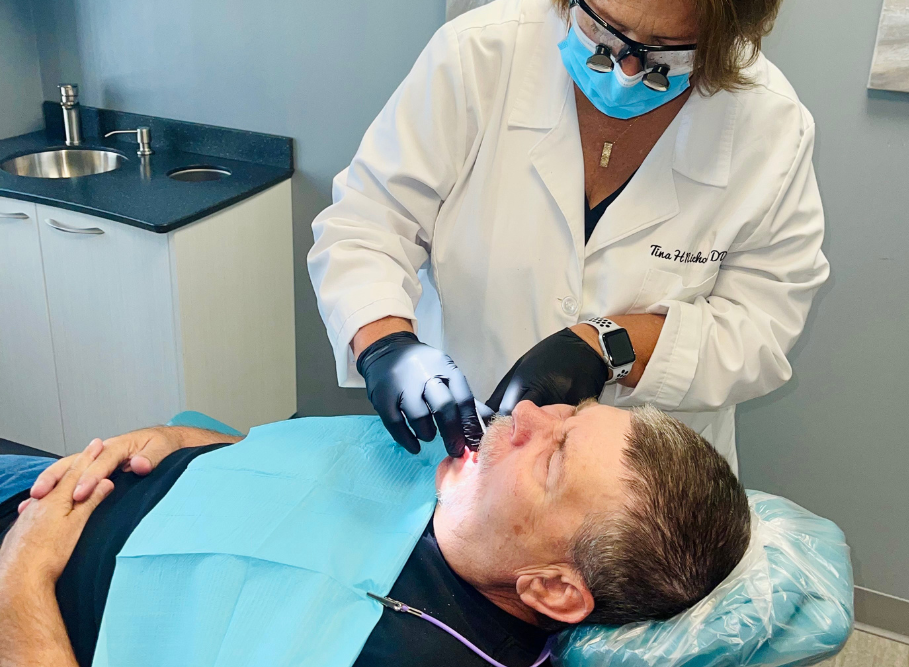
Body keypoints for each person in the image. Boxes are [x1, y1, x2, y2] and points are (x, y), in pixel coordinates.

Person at [308, 0, 830, 468]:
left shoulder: (770, 124)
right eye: (604, 32)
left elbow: (761, 329)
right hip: (470, 449)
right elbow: (368, 221)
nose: (625, 71)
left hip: (644, 488)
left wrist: (607, 345)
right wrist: (386, 343)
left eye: (667, 52)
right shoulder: (478, 56)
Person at [0, 401, 750, 667]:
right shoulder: (451, 481)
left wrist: (23, 580)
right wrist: (172, 436)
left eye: (552, 457)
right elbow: (276, 461)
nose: (526, 417)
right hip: (76, 482)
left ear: (553, 587)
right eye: (570, 413)